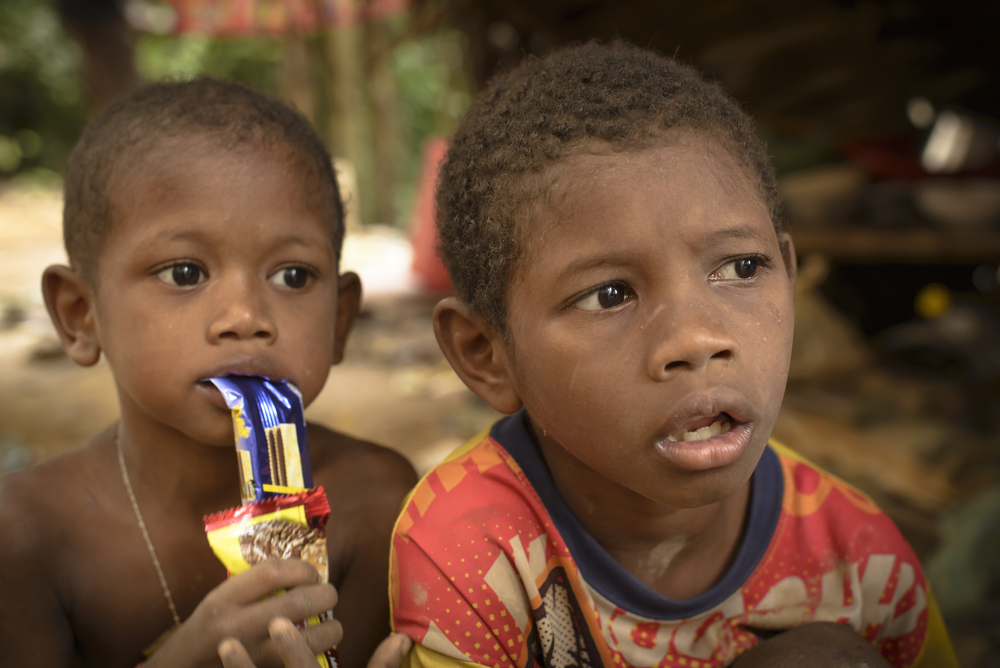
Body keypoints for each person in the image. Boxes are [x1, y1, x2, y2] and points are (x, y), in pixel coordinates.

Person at [389, 41, 958, 668]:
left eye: (741, 267)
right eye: (609, 295)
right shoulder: (473, 549)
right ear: (486, 355)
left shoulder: (859, 558)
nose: (696, 339)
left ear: (790, 278)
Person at [0, 77, 417, 668]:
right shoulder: (24, 535)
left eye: (293, 276)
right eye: (184, 273)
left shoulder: (375, 500)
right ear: (80, 314)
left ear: (341, 320)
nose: (246, 318)